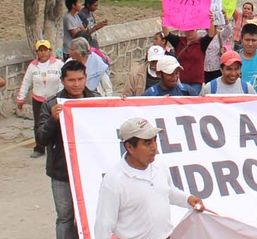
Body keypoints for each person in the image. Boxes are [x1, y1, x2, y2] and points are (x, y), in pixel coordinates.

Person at [93, 117, 204, 239]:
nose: (154, 147)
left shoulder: (159, 164)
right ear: (129, 147)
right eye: (147, 143)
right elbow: (103, 225)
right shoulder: (113, 181)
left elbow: (168, 191)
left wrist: (188, 199)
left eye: (154, 140)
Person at [38, 59, 99, 239]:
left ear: (86, 78)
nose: (77, 84)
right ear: (63, 80)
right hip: (62, 172)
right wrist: (52, 120)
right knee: (65, 217)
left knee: (90, 214)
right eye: (71, 80)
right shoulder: (51, 104)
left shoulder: (96, 100)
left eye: (80, 79)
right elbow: (41, 139)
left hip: (90, 171)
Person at [17, 40, 63, 158]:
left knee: (57, 121)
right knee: (39, 123)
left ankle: (56, 145)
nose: (43, 53)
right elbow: (26, 82)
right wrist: (21, 98)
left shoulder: (58, 64)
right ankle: (39, 147)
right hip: (38, 99)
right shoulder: (33, 66)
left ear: (50, 51)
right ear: (37, 52)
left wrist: (62, 95)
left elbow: (63, 79)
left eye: (45, 50)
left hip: (54, 98)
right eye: (40, 50)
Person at [162, 11, 216, 94]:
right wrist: (164, 19)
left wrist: (211, 21)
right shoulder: (179, 42)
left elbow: (211, 35)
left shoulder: (201, 43)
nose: (189, 32)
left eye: (192, 30)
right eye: (187, 30)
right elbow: (167, 34)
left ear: (196, 30)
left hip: (196, 83)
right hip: (180, 81)